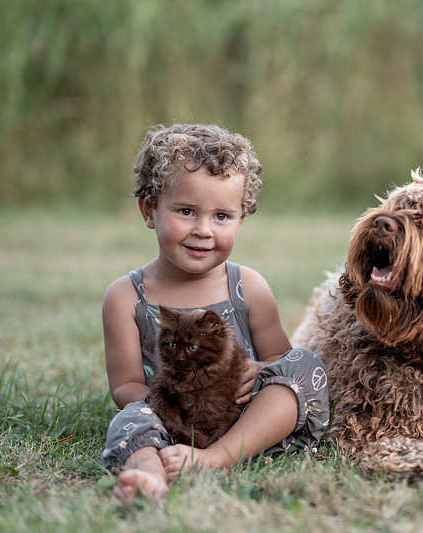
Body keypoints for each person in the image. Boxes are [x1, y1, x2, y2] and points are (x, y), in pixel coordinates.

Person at [101, 123, 329, 501]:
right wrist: (169, 401)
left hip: (242, 419)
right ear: (149, 210)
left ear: (242, 218)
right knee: (131, 419)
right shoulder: (126, 296)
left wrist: (258, 371)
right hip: (172, 418)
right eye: (186, 211)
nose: (204, 230)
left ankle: (216, 459)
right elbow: (125, 386)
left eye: (222, 216)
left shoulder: (248, 286)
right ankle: (149, 473)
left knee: (304, 364)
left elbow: (279, 359)